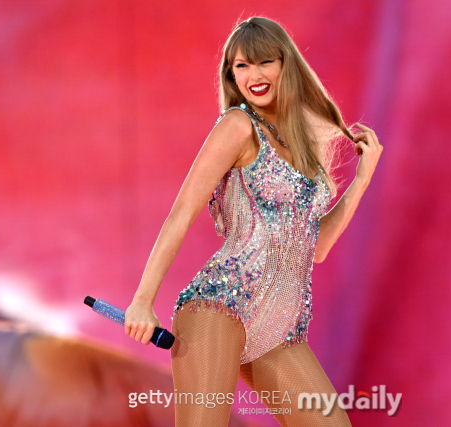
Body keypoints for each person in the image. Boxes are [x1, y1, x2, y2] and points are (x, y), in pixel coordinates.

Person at [124, 16, 382, 427]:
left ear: (286, 65)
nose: (253, 75)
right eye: (241, 66)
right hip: (219, 306)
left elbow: (316, 247)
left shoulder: (302, 146)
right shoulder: (238, 126)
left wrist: (361, 180)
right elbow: (181, 212)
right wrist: (142, 300)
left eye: (264, 62)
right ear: (231, 75)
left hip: (280, 328)